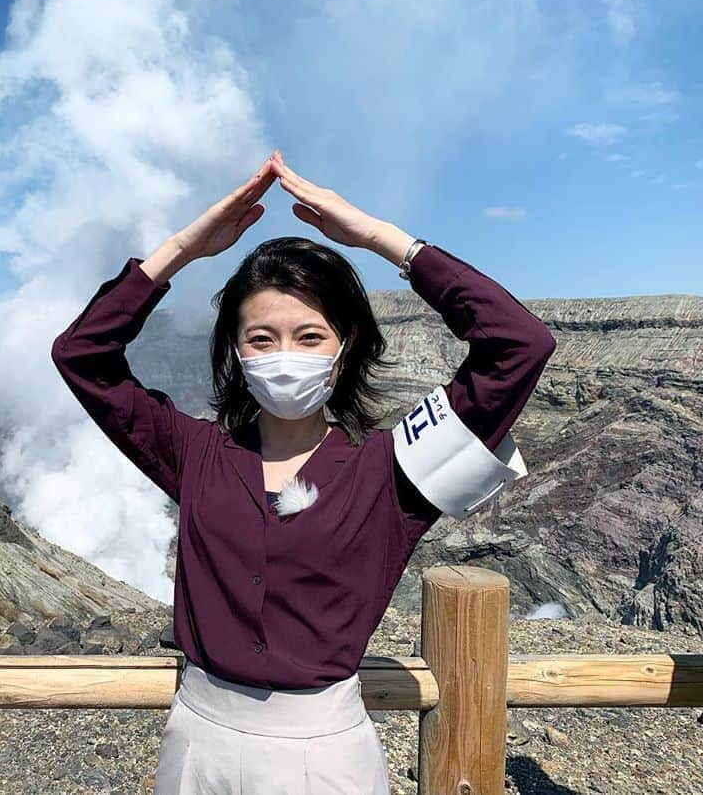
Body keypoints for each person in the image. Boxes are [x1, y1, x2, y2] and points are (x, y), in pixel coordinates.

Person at [51, 150, 556, 793]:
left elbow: (520, 344)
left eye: (309, 336)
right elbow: (81, 354)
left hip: (323, 756)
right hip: (196, 742)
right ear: (235, 353)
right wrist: (182, 249)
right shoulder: (193, 453)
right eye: (261, 338)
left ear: (345, 349)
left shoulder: (394, 471)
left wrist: (380, 238)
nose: (283, 356)